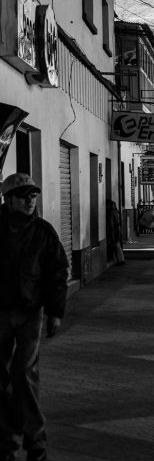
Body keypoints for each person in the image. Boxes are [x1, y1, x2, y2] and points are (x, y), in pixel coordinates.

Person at [0, 173, 69, 461]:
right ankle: (6, 439)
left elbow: (57, 272)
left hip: (31, 313)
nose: (30, 200)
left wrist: (55, 312)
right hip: (0, 313)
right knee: (0, 378)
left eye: (33, 195)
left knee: (24, 374)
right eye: (24, 195)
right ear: (8, 199)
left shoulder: (43, 231)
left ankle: (35, 439)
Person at [106, 199, 125, 265]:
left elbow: (111, 222)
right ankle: (120, 259)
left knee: (115, 245)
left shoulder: (111, 212)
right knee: (117, 245)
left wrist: (110, 230)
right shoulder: (116, 211)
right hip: (118, 229)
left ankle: (119, 260)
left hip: (114, 230)